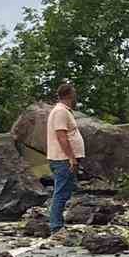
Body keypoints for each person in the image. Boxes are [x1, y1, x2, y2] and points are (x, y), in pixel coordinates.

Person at [46, 82, 85, 234]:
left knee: (64, 192)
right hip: (62, 159)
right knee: (61, 193)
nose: (75, 96)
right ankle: (56, 227)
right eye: (74, 93)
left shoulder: (64, 111)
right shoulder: (60, 112)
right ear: (69, 95)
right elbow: (61, 136)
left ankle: (57, 224)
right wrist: (71, 158)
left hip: (64, 158)